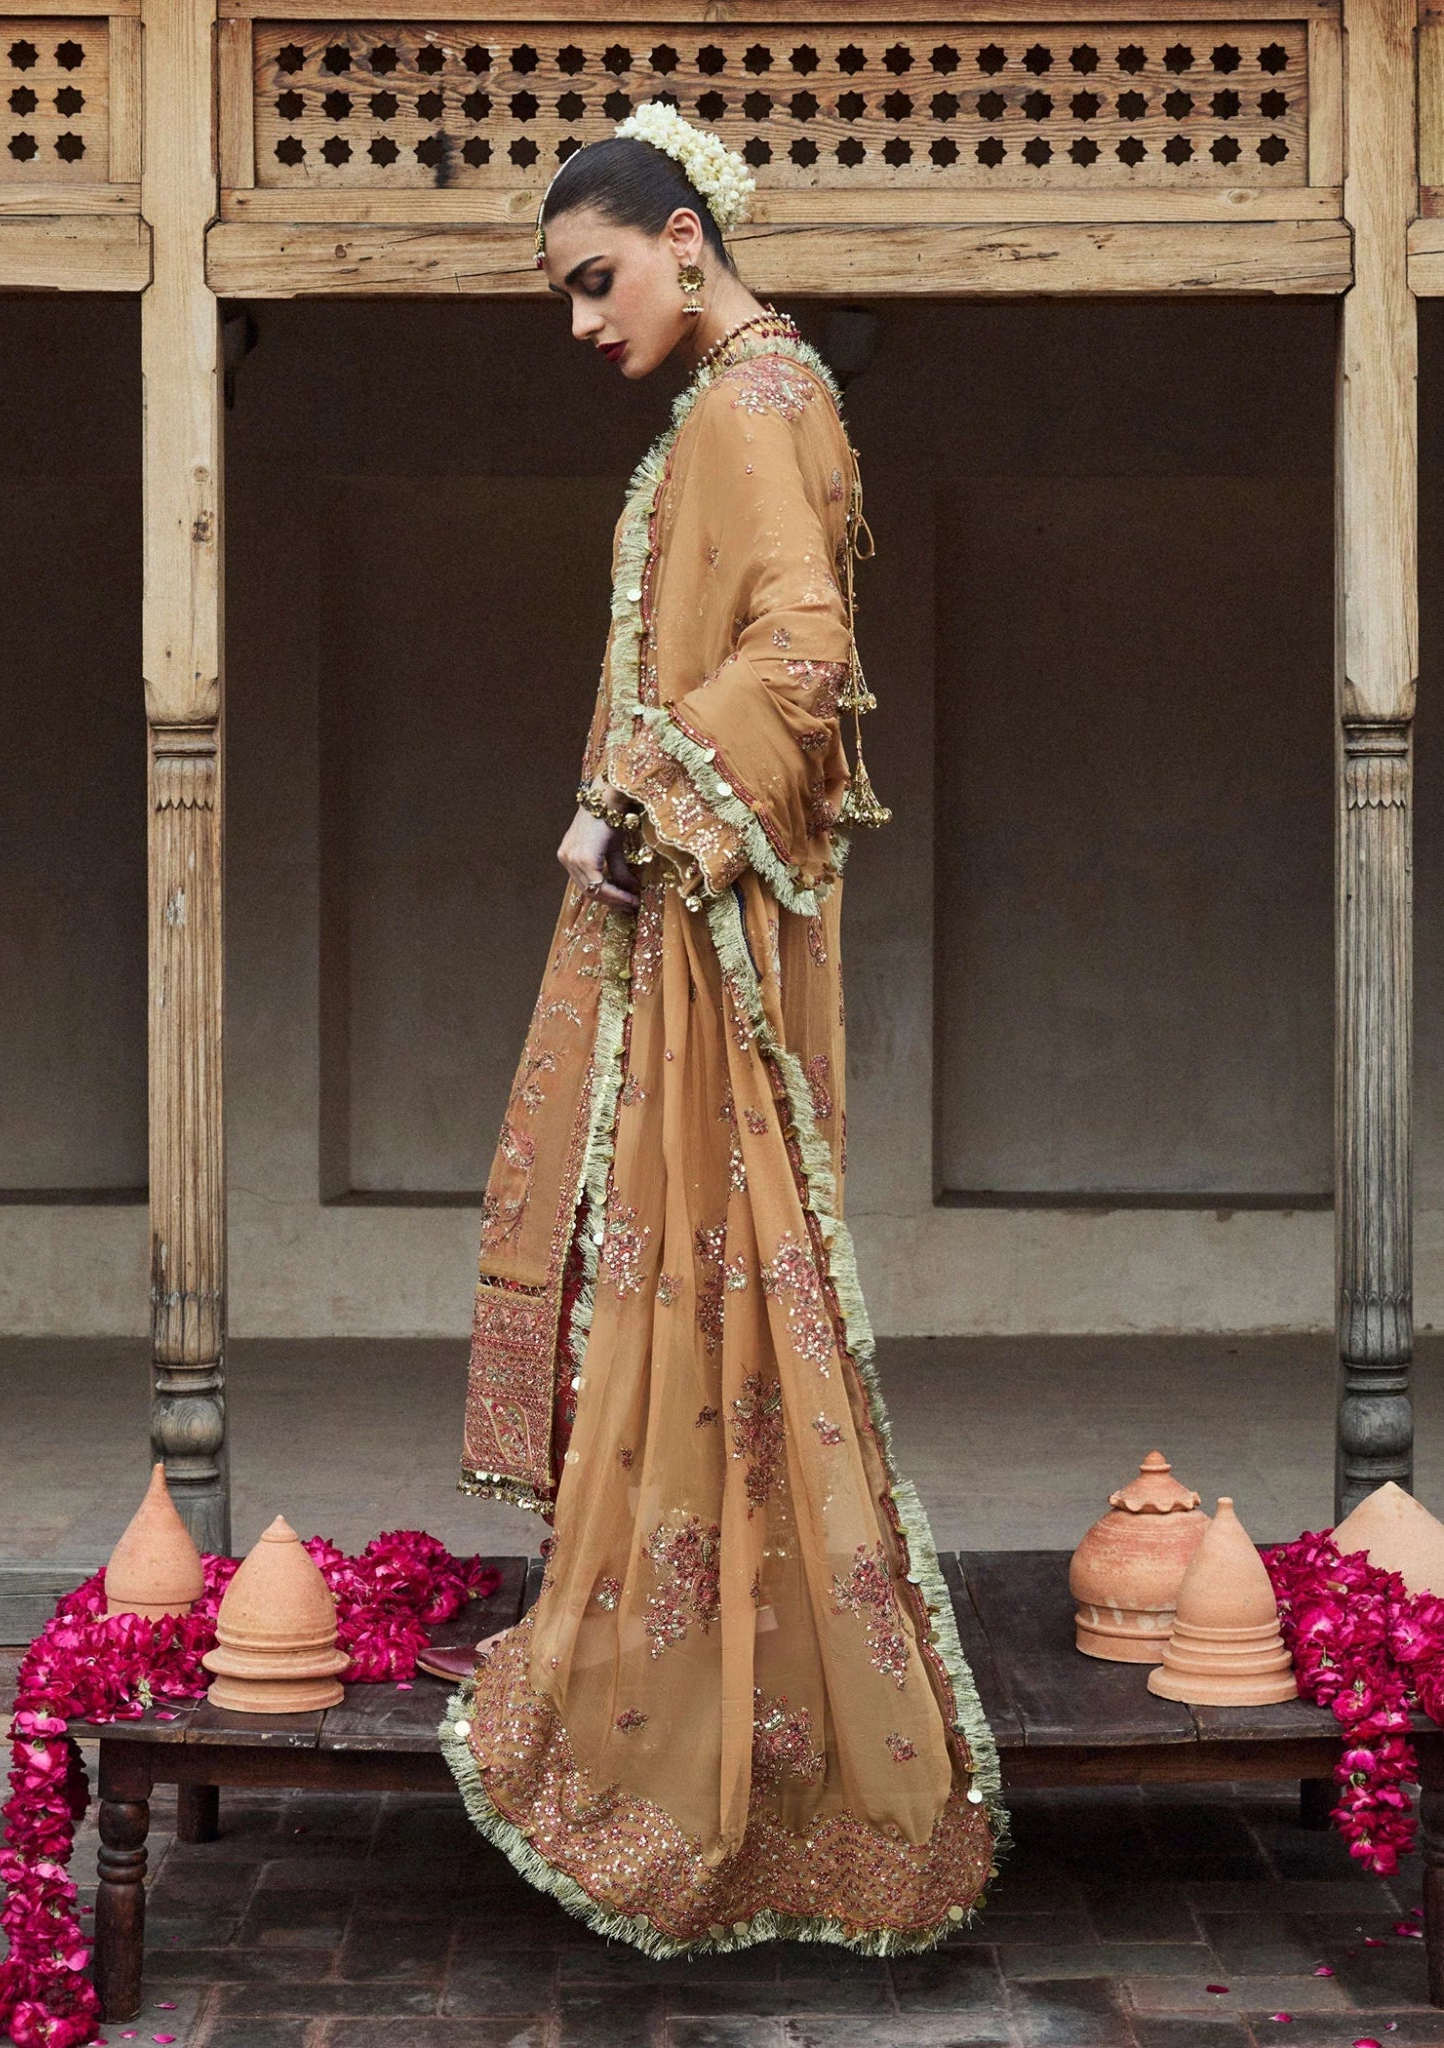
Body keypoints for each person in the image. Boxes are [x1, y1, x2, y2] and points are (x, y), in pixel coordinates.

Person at [434, 104, 1004, 1955]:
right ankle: (737, 1728)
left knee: (718, 1293)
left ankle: (736, 1777)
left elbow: (801, 655)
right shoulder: (741, 398)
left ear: (687, 237)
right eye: (567, 297)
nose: (586, 321)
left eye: (597, 279)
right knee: (709, 1299)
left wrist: (635, 804)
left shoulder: (753, 404)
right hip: (704, 930)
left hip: (707, 924)